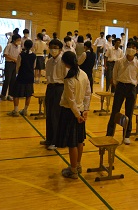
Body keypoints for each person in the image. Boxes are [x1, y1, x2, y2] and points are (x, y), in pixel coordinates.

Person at [56, 51, 91, 179]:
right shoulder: (84, 74)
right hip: (80, 111)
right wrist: (85, 111)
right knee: (79, 140)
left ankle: (73, 170)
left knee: (72, 143)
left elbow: (71, 101)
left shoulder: (69, 79)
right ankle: (78, 164)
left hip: (71, 113)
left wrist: (77, 115)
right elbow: (88, 94)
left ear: (65, 63)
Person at [106, 42, 138, 145]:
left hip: (131, 88)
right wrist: (117, 84)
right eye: (129, 47)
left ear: (136, 50)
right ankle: (110, 133)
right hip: (120, 87)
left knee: (129, 112)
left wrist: (133, 84)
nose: (131, 49)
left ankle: (126, 135)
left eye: (133, 47)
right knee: (115, 111)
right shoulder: (119, 61)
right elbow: (115, 74)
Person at [41, 39, 67, 150]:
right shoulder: (49, 61)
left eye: (56, 47)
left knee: (56, 115)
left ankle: (56, 141)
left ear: (60, 49)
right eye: (51, 47)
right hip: (50, 88)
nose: (53, 49)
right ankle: (49, 138)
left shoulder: (63, 61)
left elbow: (66, 78)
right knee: (49, 113)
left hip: (59, 88)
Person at [8, 40, 37, 117]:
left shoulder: (21, 55)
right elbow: (34, 66)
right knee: (28, 94)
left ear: (24, 45)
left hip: (21, 76)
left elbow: (18, 66)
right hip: (30, 76)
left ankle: (16, 110)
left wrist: (18, 73)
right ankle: (25, 110)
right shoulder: (34, 55)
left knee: (16, 94)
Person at [1, 34, 22, 101]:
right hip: (9, 63)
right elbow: (5, 54)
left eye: (19, 40)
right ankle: (3, 94)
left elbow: (20, 54)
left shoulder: (19, 46)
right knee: (7, 79)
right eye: (18, 40)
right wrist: (13, 59)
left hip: (15, 64)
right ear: (14, 40)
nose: (19, 41)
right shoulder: (9, 45)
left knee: (13, 80)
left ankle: (10, 95)